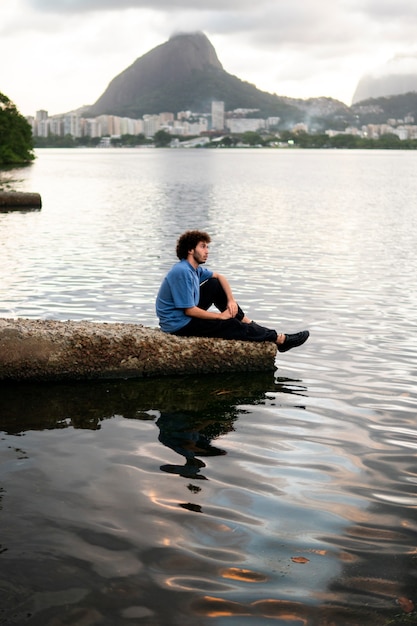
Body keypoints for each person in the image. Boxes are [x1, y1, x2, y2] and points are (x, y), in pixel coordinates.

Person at [155, 230, 309, 352]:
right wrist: (220, 316)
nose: (207, 251)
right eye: (203, 246)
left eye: (207, 247)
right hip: (178, 324)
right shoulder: (182, 272)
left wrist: (231, 300)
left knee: (215, 284)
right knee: (230, 325)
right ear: (190, 249)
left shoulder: (194, 270)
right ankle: (280, 339)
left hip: (183, 316)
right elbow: (189, 311)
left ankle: (248, 322)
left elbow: (220, 277)